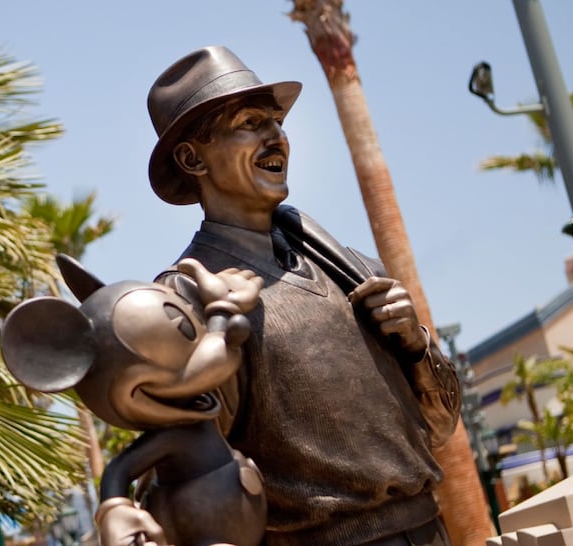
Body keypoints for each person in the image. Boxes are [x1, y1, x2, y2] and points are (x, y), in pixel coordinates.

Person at [144, 46, 462, 546]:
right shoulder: (185, 298)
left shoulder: (352, 269)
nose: (276, 137)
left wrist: (417, 347)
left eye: (276, 121)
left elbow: (438, 428)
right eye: (250, 122)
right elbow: (189, 467)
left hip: (429, 531)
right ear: (191, 157)